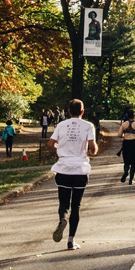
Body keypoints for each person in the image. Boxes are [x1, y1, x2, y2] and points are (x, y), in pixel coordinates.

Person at [48, 98, 97, 250]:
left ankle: (63, 218)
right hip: (80, 169)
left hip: (63, 168)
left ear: (68, 111)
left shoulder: (61, 125)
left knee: (63, 203)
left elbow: (50, 144)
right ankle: (71, 240)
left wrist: (60, 152)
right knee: (76, 205)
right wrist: (91, 151)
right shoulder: (88, 126)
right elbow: (92, 148)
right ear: (82, 111)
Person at [117, 110, 135, 184]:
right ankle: (131, 179)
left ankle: (126, 172)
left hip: (126, 143)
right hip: (134, 143)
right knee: (133, 162)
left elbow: (119, 134)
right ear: (134, 115)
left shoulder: (124, 124)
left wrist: (124, 135)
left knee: (126, 161)